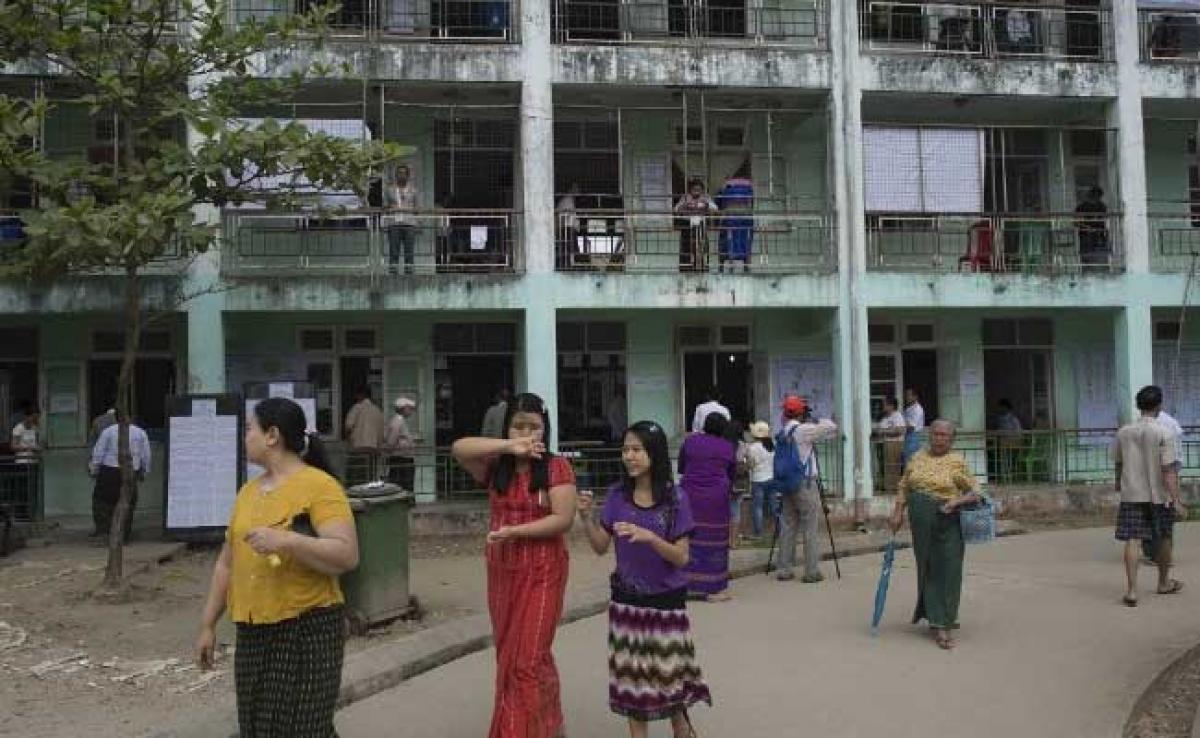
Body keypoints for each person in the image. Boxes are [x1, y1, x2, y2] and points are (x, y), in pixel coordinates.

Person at [194, 398, 359, 737]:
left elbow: (346, 555)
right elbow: (227, 563)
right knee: (258, 726)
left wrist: (287, 541)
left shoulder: (320, 486)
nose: (245, 437)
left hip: (308, 628)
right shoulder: (247, 493)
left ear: (272, 436)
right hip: (254, 631)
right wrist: (208, 624)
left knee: (304, 729)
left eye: (249, 429)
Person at [451, 393, 578, 738]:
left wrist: (516, 531)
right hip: (502, 569)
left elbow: (563, 519)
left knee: (527, 660)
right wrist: (509, 447)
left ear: (545, 429)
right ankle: (550, 725)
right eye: (518, 425)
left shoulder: (556, 467)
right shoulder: (496, 466)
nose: (526, 432)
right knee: (510, 654)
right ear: (507, 428)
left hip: (544, 569)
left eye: (534, 427)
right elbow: (460, 449)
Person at [578, 420, 712, 738]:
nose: (629, 456)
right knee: (631, 682)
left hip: (666, 602)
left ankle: (682, 728)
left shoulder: (675, 499)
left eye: (637, 449)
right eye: (625, 450)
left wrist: (649, 537)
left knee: (669, 676)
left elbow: (681, 557)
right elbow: (599, 546)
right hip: (626, 602)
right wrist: (585, 517)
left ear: (654, 453)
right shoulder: (616, 496)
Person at [889, 419, 981, 650]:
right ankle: (934, 616)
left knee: (949, 569)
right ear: (929, 436)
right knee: (927, 567)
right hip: (920, 519)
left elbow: (975, 493)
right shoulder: (917, 457)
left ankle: (945, 625)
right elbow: (904, 486)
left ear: (952, 439)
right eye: (936, 434)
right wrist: (898, 512)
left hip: (947, 518)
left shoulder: (956, 462)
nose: (939, 438)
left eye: (944, 435)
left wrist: (956, 501)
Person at [1112, 385, 1186, 607]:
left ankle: (1132, 591)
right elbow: (1168, 471)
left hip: (1132, 493)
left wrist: (1119, 485)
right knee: (1164, 536)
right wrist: (1177, 499)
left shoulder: (1124, 432)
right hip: (1159, 494)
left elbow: (1118, 463)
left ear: (1138, 406)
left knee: (1132, 539)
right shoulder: (1165, 432)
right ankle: (1163, 583)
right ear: (1159, 406)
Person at [773, 395, 838, 583]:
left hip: (787, 484)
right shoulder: (803, 430)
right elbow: (831, 427)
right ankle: (811, 571)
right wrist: (815, 418)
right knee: (810, 527)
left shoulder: (783, 431)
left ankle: (784, 569)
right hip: (804, 483)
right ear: (801, 413)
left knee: (788, 526)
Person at [678, 412, 737, 602]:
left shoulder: (690, 442)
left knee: (687, 537)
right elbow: (731, 472)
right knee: (716, 540)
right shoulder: (727, 447)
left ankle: (683, 585)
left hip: (689, 496)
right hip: (716, 500)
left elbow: (681, 467)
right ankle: (713, 590)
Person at [89, 413, 151, 542]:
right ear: (132, 418)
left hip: (109, 471)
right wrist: (144, 472)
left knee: (103, 502)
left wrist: (94, 469)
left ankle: (105, 532)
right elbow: (146, 455)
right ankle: (124, 535)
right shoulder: (140, 433)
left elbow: (98, 452)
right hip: (130, 471)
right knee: (128, 502)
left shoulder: (108, 431)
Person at [1144, 408, 1185, 565]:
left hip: (1150, 476)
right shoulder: (1171, 424)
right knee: (1163, 516)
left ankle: (1155, 554)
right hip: (1166, 473)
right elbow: (1178, 454)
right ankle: (1160, 554)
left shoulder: (1139, 425)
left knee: (1152, 515)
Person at [674, 179, 717, 272]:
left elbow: (715, 208)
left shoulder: (706, 197)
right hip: (687, 225)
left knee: (702, 247)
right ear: (690, 189)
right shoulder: (685, 197)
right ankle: (685, 268)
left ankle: (702, 267)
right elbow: (676, 209)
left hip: (701, 225)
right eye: (694, 189)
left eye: (699, 189)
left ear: (702, 190)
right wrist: (685, 205)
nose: (696, 192)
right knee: (686, 247)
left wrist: (706, 204)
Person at [344, 387, 384, 486]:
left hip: (358, 447)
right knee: (370, 476)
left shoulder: (357, 407)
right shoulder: (377, 410)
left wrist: (348, 439)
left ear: (360, 395)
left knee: (356, 475)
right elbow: (381, 431)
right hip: (373, 448)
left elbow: (348, 426)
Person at [385, 163, 418, 275]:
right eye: (399, 173)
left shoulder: (413, 190)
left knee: (409, 251)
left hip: (409, 224)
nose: (401, 175)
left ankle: (409, 274)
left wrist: (406, 208)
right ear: (396, 175)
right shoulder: (389, 190)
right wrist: (390, 208)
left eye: (404, 173)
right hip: (394, 223)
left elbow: (417, 209)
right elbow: (385, 207)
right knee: (394, 251)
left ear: (408, 176)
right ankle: (393, 274)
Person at [745, 421, 776, 540]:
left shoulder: (752, 448)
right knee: (774, 506)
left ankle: (758, 533)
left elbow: (750, 464)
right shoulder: (772, 446)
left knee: (758, 507)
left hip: (758, 480)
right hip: (772, 478)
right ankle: (782, 529)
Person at [384, 397, 417, 491]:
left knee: (403, 481)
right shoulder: (398, 421)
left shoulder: (399, 420)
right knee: (403, 482)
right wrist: (389, 450)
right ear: (404, 409)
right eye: (410, 409)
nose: (411, 411)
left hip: (402, 456)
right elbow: (392, 439)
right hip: (401, 456)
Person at [725, 420, 749, 548]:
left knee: (725, 511)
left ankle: (724, 539)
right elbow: (750, 461)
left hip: (725, 480)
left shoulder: (723, 445)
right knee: (736, 510)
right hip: (739, 481)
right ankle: (733, 541)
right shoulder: (743, 445)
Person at [875, 396, 906, 495]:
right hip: (884, 443)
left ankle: (893, 488)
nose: (883, 406)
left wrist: (884, 431)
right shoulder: (885, 417)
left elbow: (900, 430)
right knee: (884, 467)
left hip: (894, 443)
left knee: (892, 467)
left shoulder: (897, 416)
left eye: (885, 404)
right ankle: (886, 487)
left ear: (891, 406)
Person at [1075, 186, 1110, 268]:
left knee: (1099, 255)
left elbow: (1104, 220)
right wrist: (1087, 227)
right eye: (1095, 196)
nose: (1097, 198)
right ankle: (1087, 269)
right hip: (1086, 234)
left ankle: (1101, 269)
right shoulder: (1082, 206)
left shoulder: (1102, 206)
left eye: (1098, 196)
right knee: (1086, 255)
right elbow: (1076, 221)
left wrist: (1102, 232)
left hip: (1099, 234)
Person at [993, 398, 1024, 484]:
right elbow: (997, 429)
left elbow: (1019, 432)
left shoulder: (1013, 419)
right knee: (1004, 460)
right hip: (1003, 443)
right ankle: (1004, 478)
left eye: (1001, 407)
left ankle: (1010, 478)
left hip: (1012, 443)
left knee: (1010, 461)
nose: (999, 409)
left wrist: (1017, 441)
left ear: (1006, 407)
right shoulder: (999, 418)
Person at [902, 387, 926, 469]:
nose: (907, 397)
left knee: (911, 461)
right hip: (908, 436)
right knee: (907, 461)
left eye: (909, 395)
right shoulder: (909, 408)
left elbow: (912, 426)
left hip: (913, 436)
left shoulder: (917, 409)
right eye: (906, 395)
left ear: (915, 397)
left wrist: (901, 427)